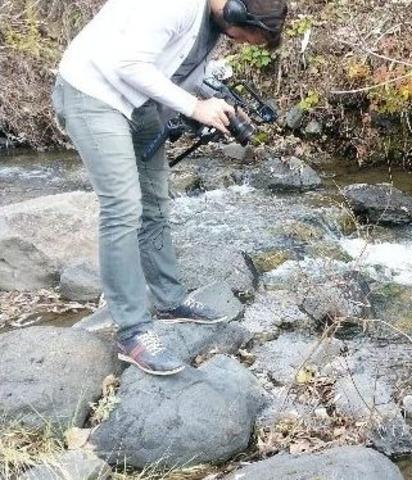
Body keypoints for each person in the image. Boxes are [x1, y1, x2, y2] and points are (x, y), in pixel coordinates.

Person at [51, 0, 288, 376]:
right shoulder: (173, 4)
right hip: (94, 93)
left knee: (156, 204)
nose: (242, 43)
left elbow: (180, 70)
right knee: (123, 208)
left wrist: (218, 105)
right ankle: (132, 331)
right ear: (238, 11)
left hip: (142, 104)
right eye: (246, 37)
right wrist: (194, 108)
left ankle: (169, 301)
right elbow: (127, 63)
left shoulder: (214, 25)